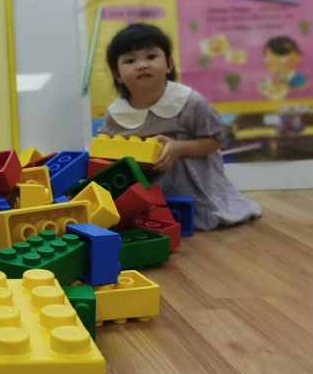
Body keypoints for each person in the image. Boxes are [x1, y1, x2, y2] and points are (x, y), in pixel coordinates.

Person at [100, 22, 261, 231]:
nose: (142, 65)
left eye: (151, 56)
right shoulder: (116, 114)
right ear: (117, 74)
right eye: (130, 61)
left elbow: (217, 139)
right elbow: (105, 156)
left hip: (193, 185)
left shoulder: (190, 102)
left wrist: (179, 148)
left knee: (203, 217)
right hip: (143, 190)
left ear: (169, 64)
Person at [259, 35, 307, 100]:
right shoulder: (279, 76)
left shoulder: (296, 79)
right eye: (267, 59)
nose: (267, 63)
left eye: (270, 59)